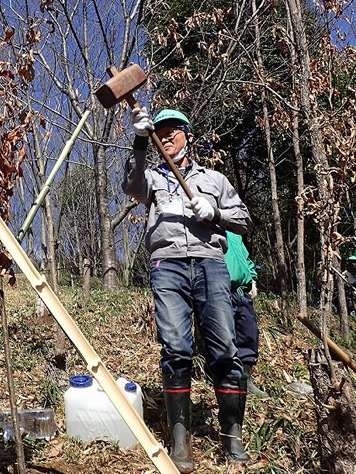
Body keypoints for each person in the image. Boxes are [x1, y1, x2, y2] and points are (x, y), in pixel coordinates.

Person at [122, 107, 252, 472]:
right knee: (176, 348)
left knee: (225, 348)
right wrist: (138, 141)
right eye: (159, 132)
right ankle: (181, 442)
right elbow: (131, 186)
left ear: (187, 135)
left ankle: (232, 436)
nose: (166, 137)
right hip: (167, 265)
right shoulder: (150, 177)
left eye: (172, 131)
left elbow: (243, 220)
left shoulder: (214, 179)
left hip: (210, 264)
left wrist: (215, 212)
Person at [224, 231, 268, 397]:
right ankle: (226, 379)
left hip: (242, 292)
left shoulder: (235, 235)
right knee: (224, 335)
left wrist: (253, 279)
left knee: (248, 333)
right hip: (222, 290)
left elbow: (246, 260)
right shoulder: (210, 230)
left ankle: (245, 378)